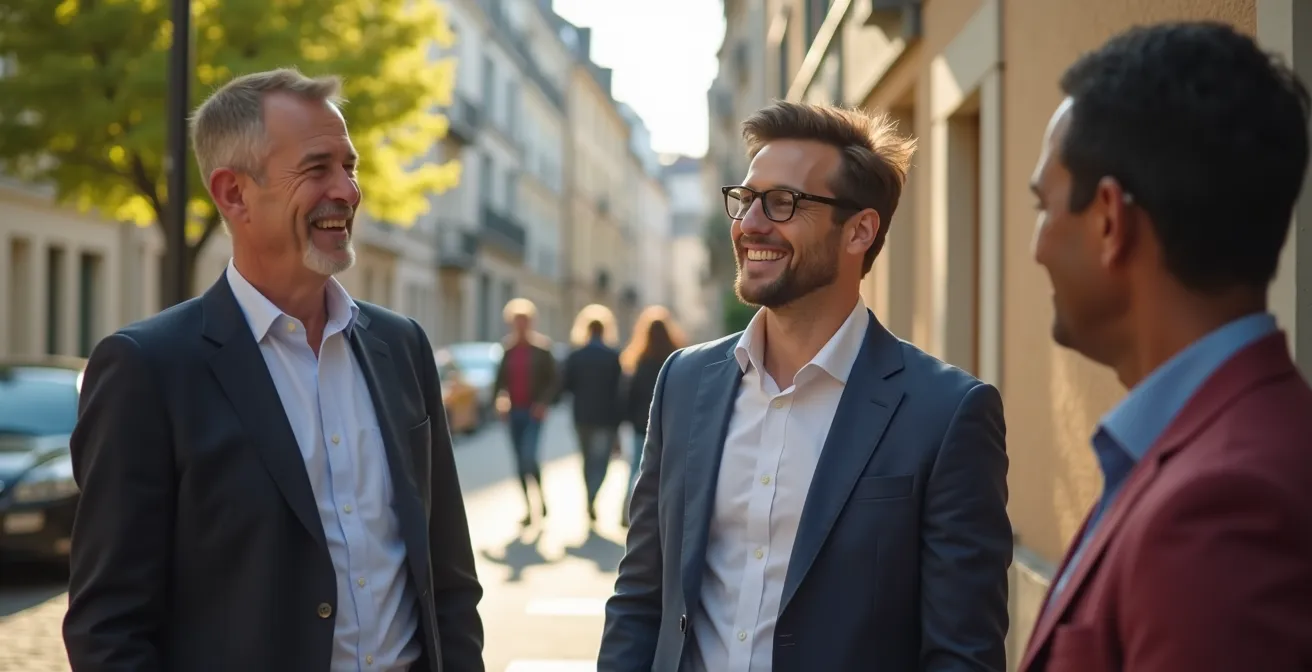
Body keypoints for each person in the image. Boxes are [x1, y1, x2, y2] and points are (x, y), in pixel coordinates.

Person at [62, 68, 484, 672]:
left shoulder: (402, 347)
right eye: (317, 169)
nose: (347, 190)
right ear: (234, 193)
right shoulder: (147, 370)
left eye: (351, 166)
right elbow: (109, 627)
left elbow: (448, 577)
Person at [599, 101, 1012, 672]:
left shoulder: (947, 413)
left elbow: (961, 653)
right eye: (744, 199)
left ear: (860, 231)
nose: (749, 225)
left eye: (783, 202)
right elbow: (643, 596)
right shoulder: (684, 382)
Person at [1020, 22, 1312, 672]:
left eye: (1043, 207)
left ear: (1108, 220)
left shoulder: (1219, 509)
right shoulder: (1211, 445)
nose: (1036, 246)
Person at [618, 305, 686, 527]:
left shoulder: (638, 361)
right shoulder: (678, 360)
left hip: (641, 426)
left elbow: (628, 396)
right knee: (667, 468)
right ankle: (662, 513)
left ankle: (627, 510)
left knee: (637, 467)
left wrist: (625, 422)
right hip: (671, 424)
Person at [492, 297, 558, 526]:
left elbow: (553, 381)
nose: (520, 325)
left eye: (524, 321)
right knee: (519, 462)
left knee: (529, 457)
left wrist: (543, 403)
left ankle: (540, 497)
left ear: (531, 322)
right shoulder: (507, 349)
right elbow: (499, 382)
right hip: (513, 414)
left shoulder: (542, 349)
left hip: (533, 413)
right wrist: (500, 400)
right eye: (516, 321)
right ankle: (530, 508)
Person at [560, 303, 625, 524]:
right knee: (602, 461)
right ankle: (593, 496)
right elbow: (619, 392)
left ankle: (589, 496)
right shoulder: (613, 356)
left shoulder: (576, 356)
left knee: (587, 459)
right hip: (606, 417)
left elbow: (566, 386)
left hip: (581, 416)